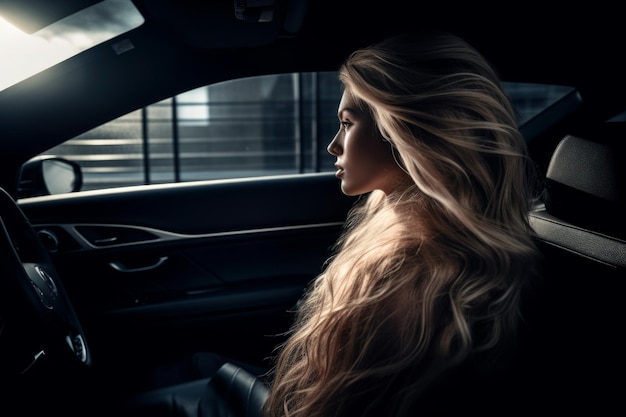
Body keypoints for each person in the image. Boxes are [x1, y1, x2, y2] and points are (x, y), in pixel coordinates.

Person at [125, 30, 541, 417]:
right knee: (193, 370)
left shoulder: (405, 278)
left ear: (406, 132)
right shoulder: (410, 240)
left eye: (347, 123)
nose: (332, 145)